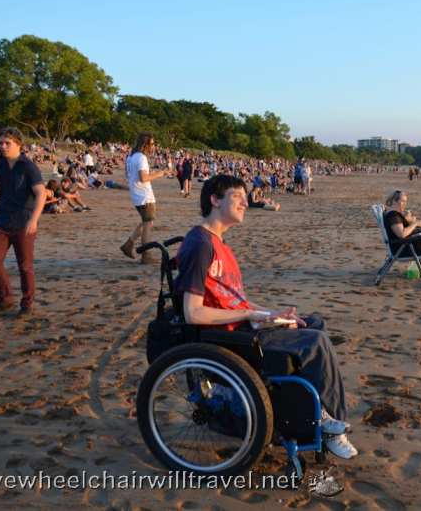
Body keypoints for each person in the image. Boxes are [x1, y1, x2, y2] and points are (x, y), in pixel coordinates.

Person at [174, 174, 357, 459]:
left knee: (312, 322)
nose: (246, 202)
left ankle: (311, 412)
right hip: (232, 338)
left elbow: (234, 299)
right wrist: (251, 314)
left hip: (243, 326)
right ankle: (329, 425)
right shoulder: (201, 245)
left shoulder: (219, 244)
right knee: (316, 341)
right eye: (237, 196)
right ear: (215, 200)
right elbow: (192, 312)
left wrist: (270, 314)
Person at [0, 127, 46, 318]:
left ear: (19, 144)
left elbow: (41, 193)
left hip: (24, 222)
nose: (3, 146)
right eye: (0, 142)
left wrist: (34, 219)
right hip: (1, 221)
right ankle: (6, 299)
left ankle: (27, 304)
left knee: (25, 266)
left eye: (7, 143)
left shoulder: (28, 166)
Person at [121, 132, 165, 264]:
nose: (153, 146)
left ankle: (128, 244)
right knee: (148, 225)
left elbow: (128, 175)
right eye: (152, 144)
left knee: (146, 222)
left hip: (136, 194)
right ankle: (146, 255)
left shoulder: (131, 157)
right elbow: (143, 178)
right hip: (144, 195)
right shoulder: (141, 158)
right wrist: (159, 174)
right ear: (145, 144)